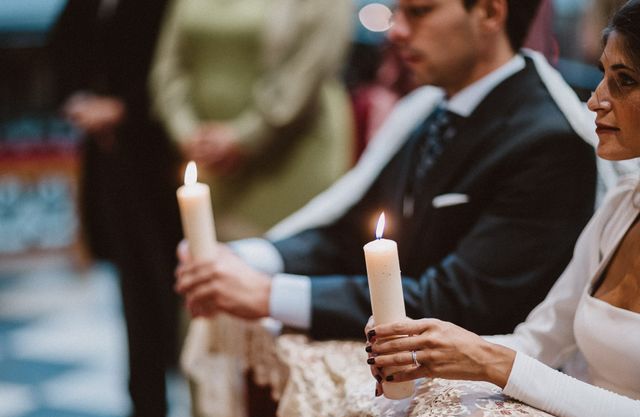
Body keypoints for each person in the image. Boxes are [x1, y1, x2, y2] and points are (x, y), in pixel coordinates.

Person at [175, 0, 598, 341]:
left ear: (489, 12)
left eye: (419, 11)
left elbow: (463, 300)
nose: (395, 31)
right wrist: (246, 259)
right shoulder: (428, 108)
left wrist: (269, 295)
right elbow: (349, 234)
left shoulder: (548, 141)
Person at [365, 0, 640, 417]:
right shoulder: (622, 205)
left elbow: (513, 363)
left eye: (624, 81)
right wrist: (432, 351)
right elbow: (541, 340)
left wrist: (489, 361)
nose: (595, 100)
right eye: (603, 75)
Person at [49, 0, 182, 417]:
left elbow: (175, 65)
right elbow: (64, 47)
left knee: (176, 301)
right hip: (111, 165)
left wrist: (125, 107)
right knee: (134, 299)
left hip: (162, 162)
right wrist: (78, 99)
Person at [149, 0, 353, 241]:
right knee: (218, 260)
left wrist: (243, 138)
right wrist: (186, 133)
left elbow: (310, 67)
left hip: (290, 152)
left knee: (287, 259)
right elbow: (168, 66)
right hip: (212, 160)